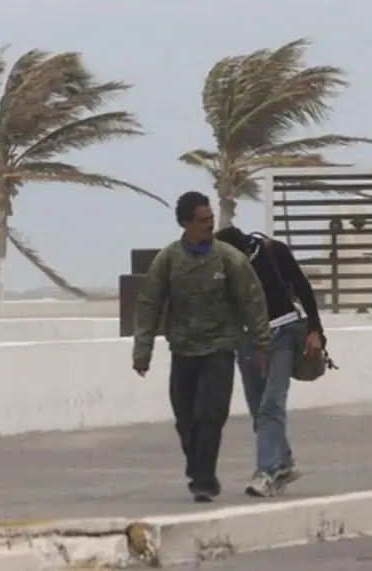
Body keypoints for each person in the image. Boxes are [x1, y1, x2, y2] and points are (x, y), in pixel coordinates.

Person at [133, 191, 271, 503]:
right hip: (183, 350)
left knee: (210, 415)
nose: (209, 225)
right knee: (186, 420)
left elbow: (253, 301)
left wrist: (261, 344)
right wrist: (143, 351)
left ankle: (204, 481)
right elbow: (148, 304)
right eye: (202, 221)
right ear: (186, 224)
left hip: (219, 349)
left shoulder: (229, 258)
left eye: (210, 219)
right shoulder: (168, 259)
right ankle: (199, 469)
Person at [214, 225, 324, 498]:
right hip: (248, 341)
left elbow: (303, 288)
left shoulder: (274, 252)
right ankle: (284, 464)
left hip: (284, 333)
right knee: (258, 409)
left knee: (271, 404)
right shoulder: (223, 269)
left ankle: (266, 473)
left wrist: (315, 331)